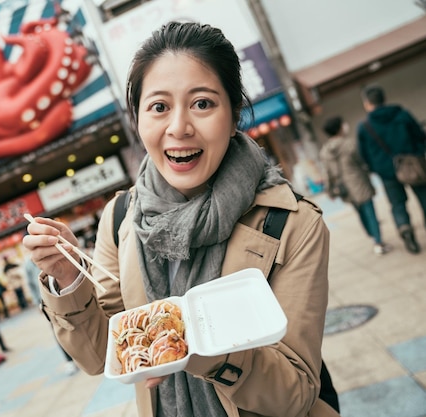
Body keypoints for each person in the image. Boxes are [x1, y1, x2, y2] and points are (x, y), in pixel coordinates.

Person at [23, 21, 338, 417]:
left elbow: (295, 394)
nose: (179, 128)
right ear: (137, 119)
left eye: (202, 103)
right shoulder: (122, 218)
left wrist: (189, 344)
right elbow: (98, 353)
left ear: (234, 111)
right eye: (159, 107)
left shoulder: (293, 223)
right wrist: (67, 280)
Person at [357, 84, 426, 254]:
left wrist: (377, 168)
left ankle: (405, 229)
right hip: (413, 166)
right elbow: (420, 136)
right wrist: (417, 154)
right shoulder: (402, 114)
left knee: (397, 204)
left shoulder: (364, 126)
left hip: (387, 173)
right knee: (424, 198)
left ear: (367, 103)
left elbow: (363, 154)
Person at [320, 116, 391, 255]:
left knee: (361, 212)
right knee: (370, 212)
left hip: (344, 188)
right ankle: (378, 242)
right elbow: (362, 162)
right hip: (358, 182)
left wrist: (329, 190)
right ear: (339, 129)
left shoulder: (325, 151)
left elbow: (326, 172)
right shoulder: (349, 144)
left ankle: (372, 235)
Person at [23, 256, 79, 376]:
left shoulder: (52, 254)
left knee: (75, 323)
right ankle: (69, 360)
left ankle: (81, 354)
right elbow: (30, 284)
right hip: (46, 302)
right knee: (58, 330)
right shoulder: (29, 264)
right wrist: (36, 301)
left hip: (64, 295)